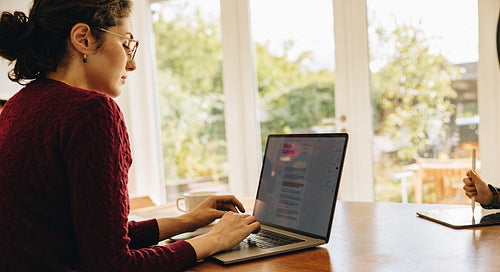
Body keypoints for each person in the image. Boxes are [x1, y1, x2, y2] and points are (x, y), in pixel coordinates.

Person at [0, 0, 260, 271]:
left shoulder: (18, 105)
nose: (132, 64)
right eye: (127, 45)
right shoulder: (90, 111)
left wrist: (189, 221)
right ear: (84, 39)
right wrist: (215, 240)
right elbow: (113, 264)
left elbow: (91, 236)